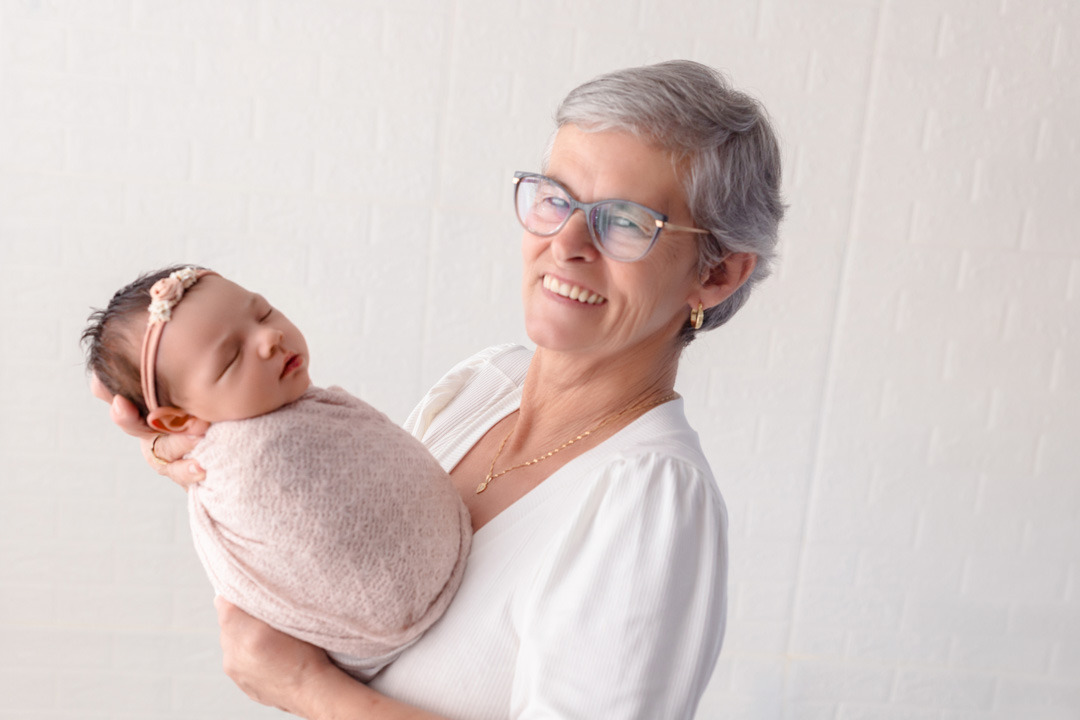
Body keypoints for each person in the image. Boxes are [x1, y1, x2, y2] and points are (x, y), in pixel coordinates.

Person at [96, 59, 785, 719]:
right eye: (556, 198)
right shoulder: (481, 387)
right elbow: (318, 541)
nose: (567, 242)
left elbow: (311, 671)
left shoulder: (650, 500)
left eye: (627, 221)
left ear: (717, 276)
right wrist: (201, 440)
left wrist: (305, 688)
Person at [83, 266, 471, 681]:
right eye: (231, 357)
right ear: (177, 422)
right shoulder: (241, 466)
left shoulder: (302, 414)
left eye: (264, 313)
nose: (270, 338)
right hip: (374, 640)